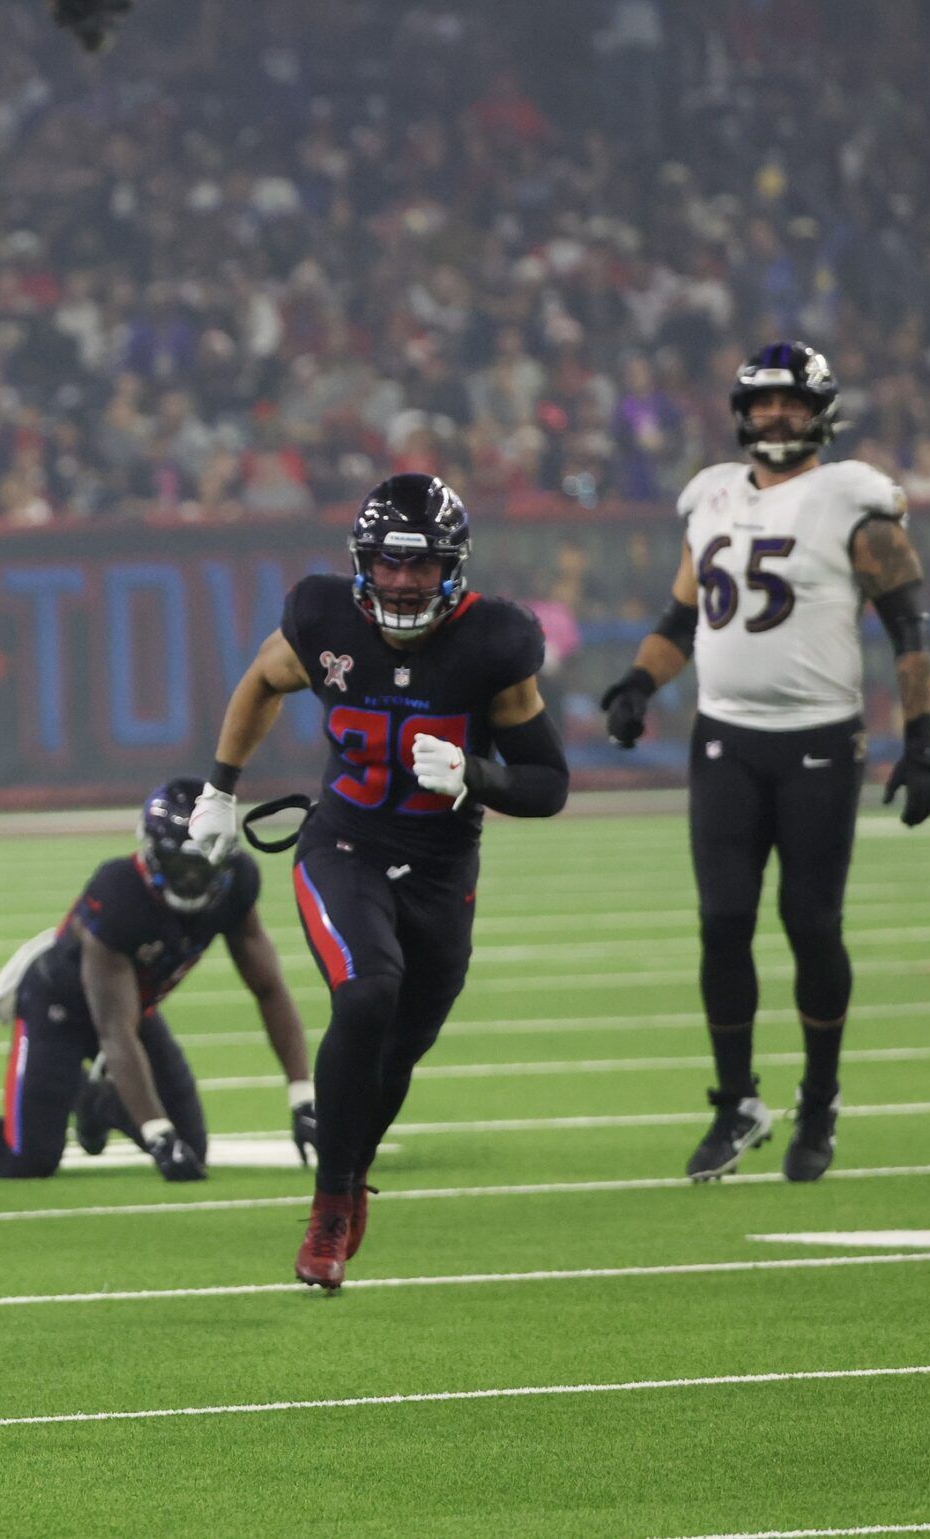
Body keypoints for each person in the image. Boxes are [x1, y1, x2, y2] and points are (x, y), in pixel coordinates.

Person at [188, 473, 569, 1291]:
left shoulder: (492, 644)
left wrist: (478, 775)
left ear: (453, 567)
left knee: (397, 1051)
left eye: (422, 565)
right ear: (361, 562)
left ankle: (350, 1173)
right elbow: (262, 678)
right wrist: (221, 787)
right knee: (367, 993)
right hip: (345, 847)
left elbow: (548, 783)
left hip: (439, 870)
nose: (401, 582)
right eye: (388, 564)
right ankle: (330, 1203)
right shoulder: (323, 618)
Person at [598, 343, 930, 1184]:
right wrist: (640, 683)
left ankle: (819, 1098)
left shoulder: (853, 500)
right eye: (763, 403)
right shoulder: (710, 496)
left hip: (821, 740)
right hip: (725, 738)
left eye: (791, 402)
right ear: (741, 413)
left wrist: (923, 739)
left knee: (811, 922)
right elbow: (683, 619)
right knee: (722, 922)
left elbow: (909, 632)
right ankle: (735, 1101)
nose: (776, 416)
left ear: (820, 410)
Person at [0, 778, 314, 1183]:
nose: (193, 879)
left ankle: (98, 1103)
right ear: (150, 852)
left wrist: (302, 1095)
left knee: (191, 1151)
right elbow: (114, 1031)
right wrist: (157, 1134)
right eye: (181, 866)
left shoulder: (236, 883)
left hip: (131, 1008)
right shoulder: (120, 892)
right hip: (60, 1007)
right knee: (28, 1159)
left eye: (204, 866)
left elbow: (269, 989)